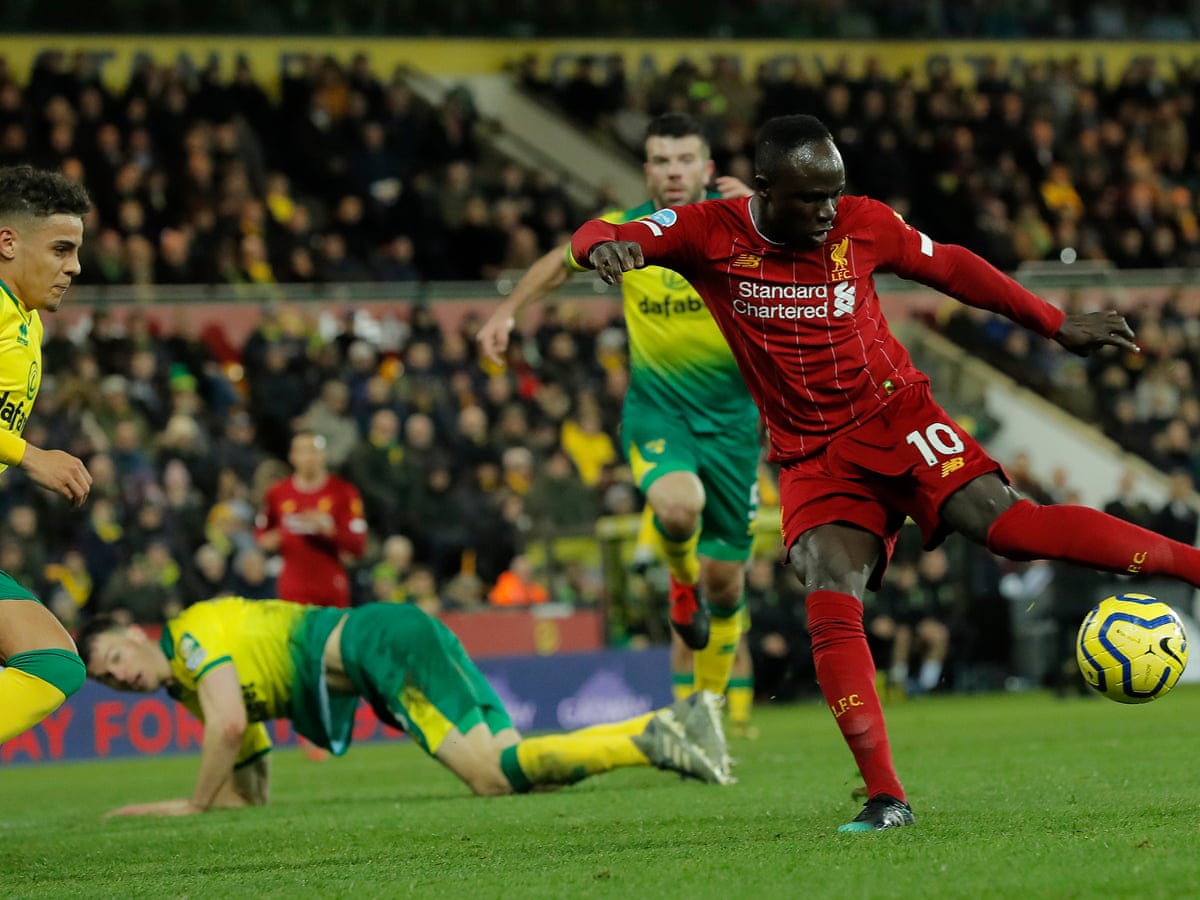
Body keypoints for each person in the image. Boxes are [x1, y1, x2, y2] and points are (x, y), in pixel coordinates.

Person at [570, 113, 1200, 832]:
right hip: (811, 454)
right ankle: (886, 797)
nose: (828, 210)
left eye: (835, 192)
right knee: (827, 586)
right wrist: (606, 249)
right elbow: (594, 234)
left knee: (1010, 529)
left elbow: (955, 266)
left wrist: (1054, 323)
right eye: (811, 198)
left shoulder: (862, 224)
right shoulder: (707, 231)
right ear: (768, 190)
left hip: (897, 414)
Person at [477, 113, 762, 721]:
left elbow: (825, 245)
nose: (674, 170)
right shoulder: (625, 233)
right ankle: (699, 687)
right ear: (648, 170)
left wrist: (770, 212)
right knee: (678, 509)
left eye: (686, 158)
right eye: (662, 160)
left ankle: (713, 704)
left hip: (735, 424)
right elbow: (560, 260)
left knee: (727, 584)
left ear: (708, 168)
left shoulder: (746, 224)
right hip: (659, 411)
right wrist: (508, 312)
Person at [77, 597, 731, 815]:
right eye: (106, 680)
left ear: (134, 632)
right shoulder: (190, 684)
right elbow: (250, 797)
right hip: (390, 635)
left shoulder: (191, 638)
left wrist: (189, 806)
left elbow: (229, 725)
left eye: (112, 657)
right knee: (506, 767)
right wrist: (187, 809)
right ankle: (667, 730)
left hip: (379, 645)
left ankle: (658, 732)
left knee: (488, 779)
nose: (118, 676)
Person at [0, 166, 95, 744]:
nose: (75, 267)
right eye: (61, 249)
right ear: (7, 241)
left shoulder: (27, 320)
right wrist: (30, 455)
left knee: (53, 662)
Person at [254, 430, 367, 608]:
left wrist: (329, 531)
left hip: (330, 588)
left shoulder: (344, 492)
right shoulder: (277, 493)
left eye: (313, 451)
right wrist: (267, 540)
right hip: (292, 588)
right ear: (292, 456)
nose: (308, 457)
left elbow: (358, 545)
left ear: (323, 455)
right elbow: (261, 531)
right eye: (301, 451)